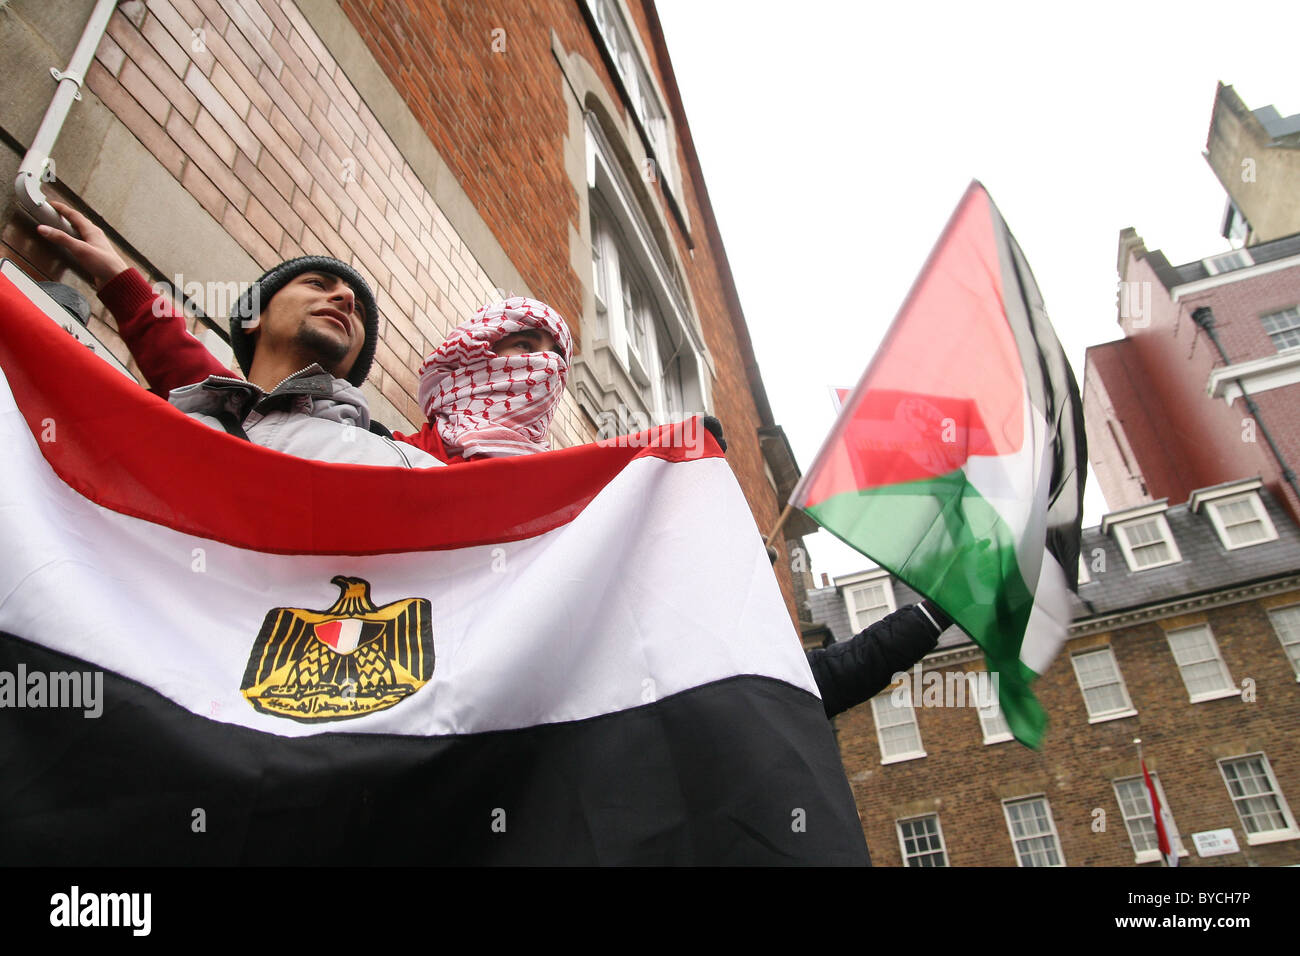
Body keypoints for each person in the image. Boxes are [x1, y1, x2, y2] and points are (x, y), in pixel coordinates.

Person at [37, 201, 442, 468]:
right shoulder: (176, 426)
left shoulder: (398, 461)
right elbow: (197, 372)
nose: (346, 298)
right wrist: (120, 282)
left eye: (359, 315)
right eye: (318, 284)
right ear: (253, 319)